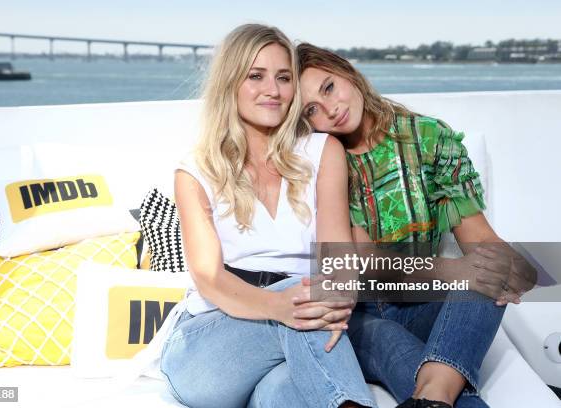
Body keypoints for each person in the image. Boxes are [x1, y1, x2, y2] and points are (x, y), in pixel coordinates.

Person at [296, 43, 535, 408]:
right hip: (361, 318)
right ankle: (437, 395)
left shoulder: (429, 138)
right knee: (399, 346)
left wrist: (509, 267)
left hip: (424, 303)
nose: (331, 109)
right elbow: (367, 266)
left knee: (489, 275)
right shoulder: (325, 159)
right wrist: (459, 273)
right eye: (312, 109)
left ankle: (431, 398)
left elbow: (480, 239)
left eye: (329, 87)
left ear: (347, 71)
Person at [159, 25, 376, 408]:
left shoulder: (322, 151)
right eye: (255, 76)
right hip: (209, 347)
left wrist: (339, 295)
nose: (272, 91)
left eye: (284, 78)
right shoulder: (195, 170)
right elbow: (209, 278)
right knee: (304, 301)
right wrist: (281, 306)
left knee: (282, 394)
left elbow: (337, 258)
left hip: (299, 326)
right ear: (230, 83)